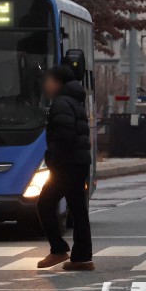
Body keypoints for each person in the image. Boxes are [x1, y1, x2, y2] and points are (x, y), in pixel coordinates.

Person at [36, 65, 94, 271]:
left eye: (48, 81)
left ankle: (58, 249)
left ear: (57, 82)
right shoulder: (75, 101)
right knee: (78, 210)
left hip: (66, 163)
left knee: (44, 203)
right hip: (79, 162)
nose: (46, 85)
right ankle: (82, 257)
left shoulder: (61, 103)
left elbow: (63, 136)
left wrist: (53, 161)